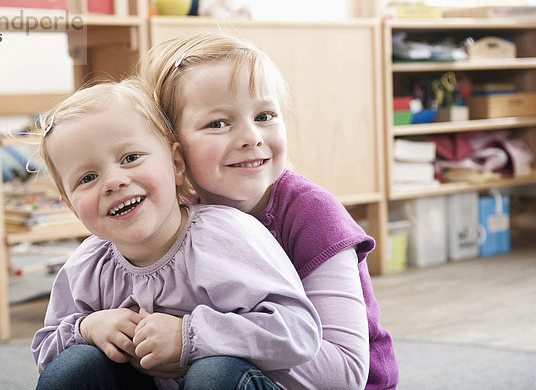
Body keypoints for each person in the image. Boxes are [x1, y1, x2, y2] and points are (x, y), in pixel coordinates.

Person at [137, 32, 399, 389]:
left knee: (215, 371)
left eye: (264, 115)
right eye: (218, 123)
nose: (252, 137)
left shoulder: (312, 213)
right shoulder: (179, 219)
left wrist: (197, 338)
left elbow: (346, 372)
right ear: (175, 152)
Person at [30, 78, 323, 390]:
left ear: (176, 163)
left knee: (213, 375)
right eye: (88, 177)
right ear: (72, 207)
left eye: (130, 158)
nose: (114, 182)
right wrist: (88, 327)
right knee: (75, 369)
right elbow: (46, 351)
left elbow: (299, 332)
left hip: (232, 383)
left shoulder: (224, 236)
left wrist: (190, 336)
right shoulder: (87, 265)